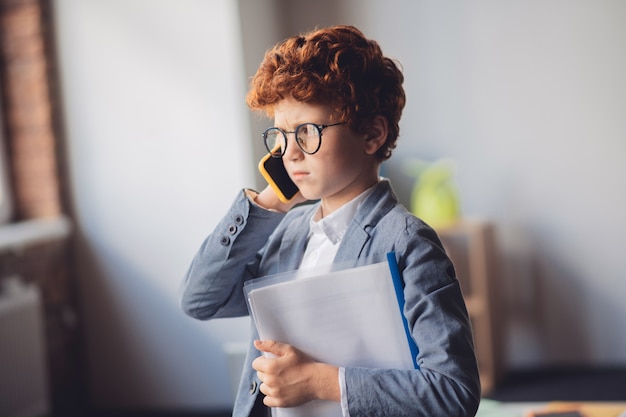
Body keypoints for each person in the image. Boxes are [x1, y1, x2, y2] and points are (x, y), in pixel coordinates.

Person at [181, 25, 480, 417]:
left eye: (307, 132)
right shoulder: (285, 232)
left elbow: (453, 392)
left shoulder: (407, 242)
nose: (290, 153)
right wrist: (271, 199)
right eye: (281, 135)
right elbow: (201, 300)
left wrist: (319, 381)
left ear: (372, 135)